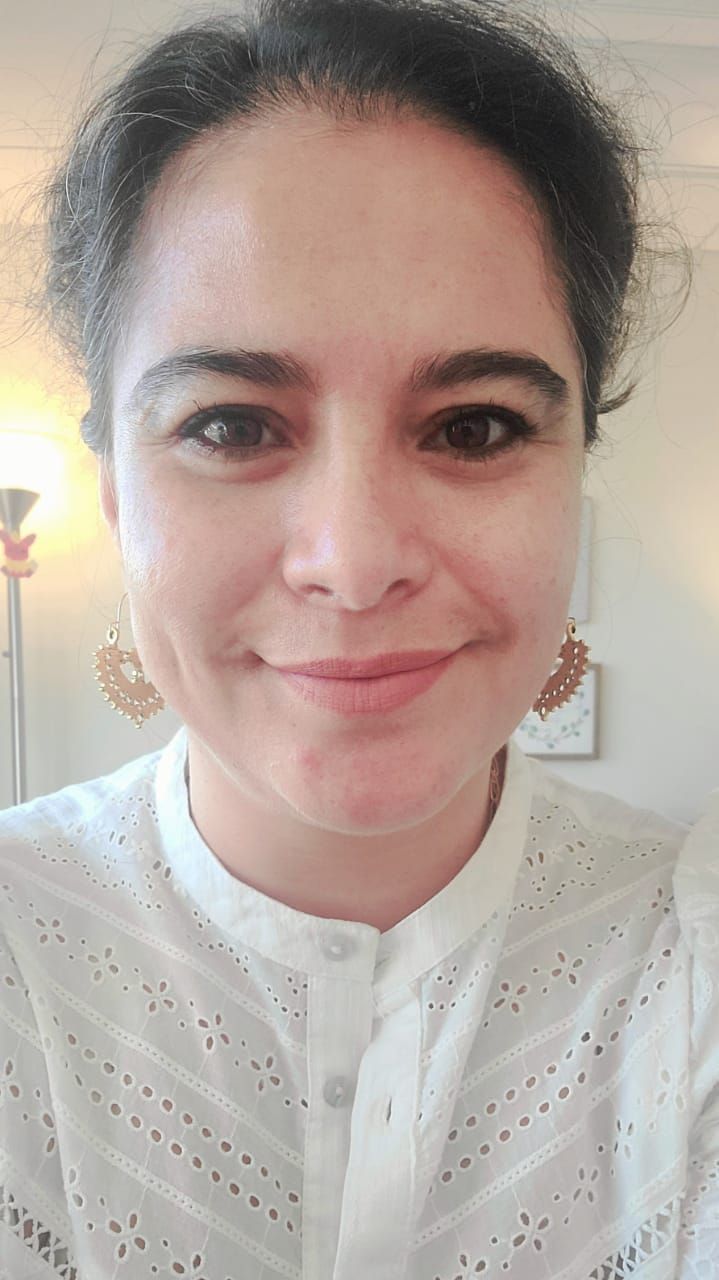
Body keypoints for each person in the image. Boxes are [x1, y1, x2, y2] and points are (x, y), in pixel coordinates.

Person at [0, 0, 717, 1274]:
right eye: (228, 425)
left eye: (475, 427)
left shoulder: (689, 966)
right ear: (116, 494)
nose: (354, 557)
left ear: (572, 477)